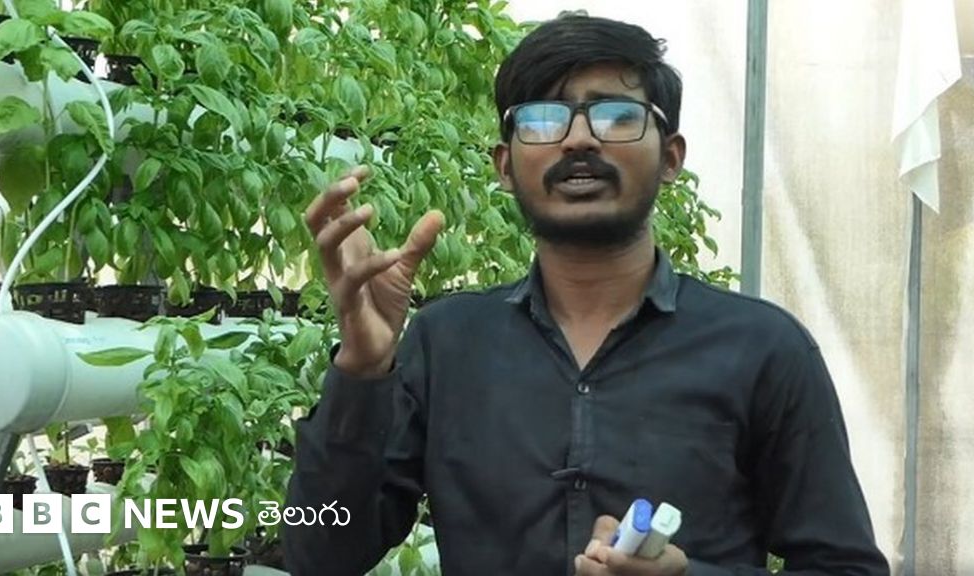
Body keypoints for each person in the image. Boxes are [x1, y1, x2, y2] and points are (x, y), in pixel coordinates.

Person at [282, 14, 890, 576]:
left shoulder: (762, 348)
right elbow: (319, 553)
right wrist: (361, 369)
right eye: (543, 118)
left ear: (671, 157)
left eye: (616, 116)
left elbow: (847, 568)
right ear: (505, 165)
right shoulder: (446, 343)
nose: (578, 140)